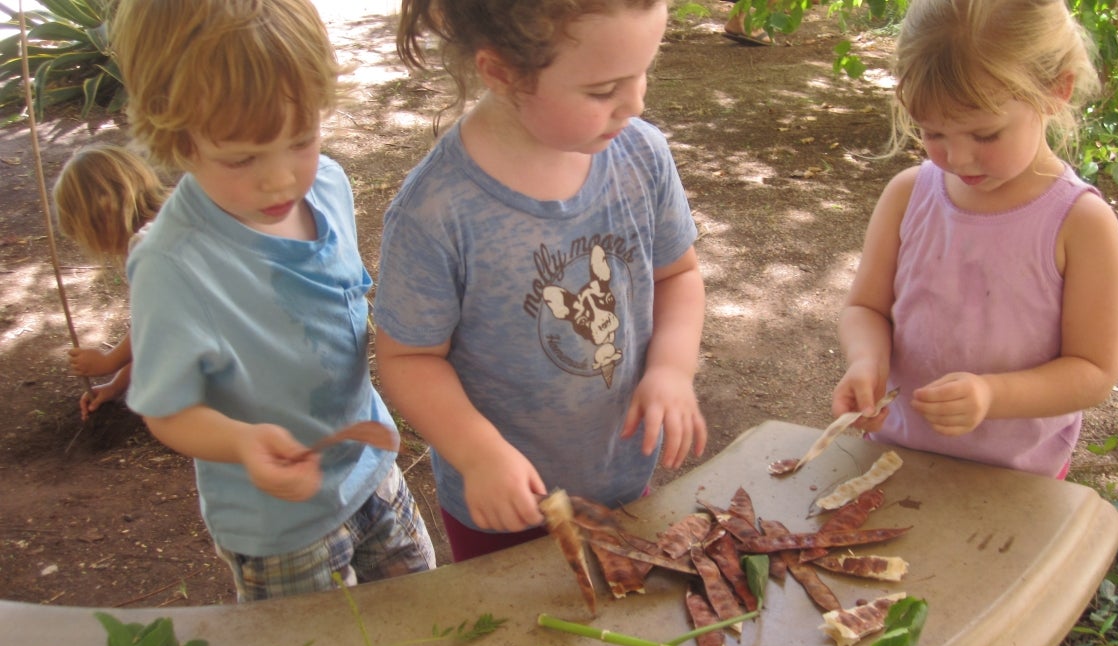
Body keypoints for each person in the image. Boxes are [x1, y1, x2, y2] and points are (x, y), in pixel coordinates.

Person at [108, 0, 435, 601]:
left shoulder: (329, 185)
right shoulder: (172, 264)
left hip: (371, 471)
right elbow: (166, 409)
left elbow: (348, 304)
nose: (281, 179)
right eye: (241, 158)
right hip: (279, 528)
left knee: (424, 619)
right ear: (176, 136)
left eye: (302, 139)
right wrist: (240, 442)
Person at [378, 0, 709, 562]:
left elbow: (679, 275)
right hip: (504, 509)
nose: (635, 104)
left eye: (643, 73)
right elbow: (409, 359)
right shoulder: (436, 212)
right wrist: (479, 454)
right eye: (604, 90)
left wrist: (672, 368)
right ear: (502, 72)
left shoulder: (641, 155)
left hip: (624, 482)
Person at [832, 0, 1118, 478]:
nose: (958, 157)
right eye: (933, 132)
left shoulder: (1081, 224)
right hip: (891, 459)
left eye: (986, 135)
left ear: (1057, 91)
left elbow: (1093, 371)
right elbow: (865, 308)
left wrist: (993, 395)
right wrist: (868, 360)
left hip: (1015, 482)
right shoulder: (908, 195)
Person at [53, 143, 168, 421]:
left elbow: (157, 325)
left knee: (159, 406)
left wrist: (109, 361)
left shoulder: (150, 248)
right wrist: (117, 385)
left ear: (104, 215)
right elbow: (161, 329)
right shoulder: (174, 213)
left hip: (239, 352)